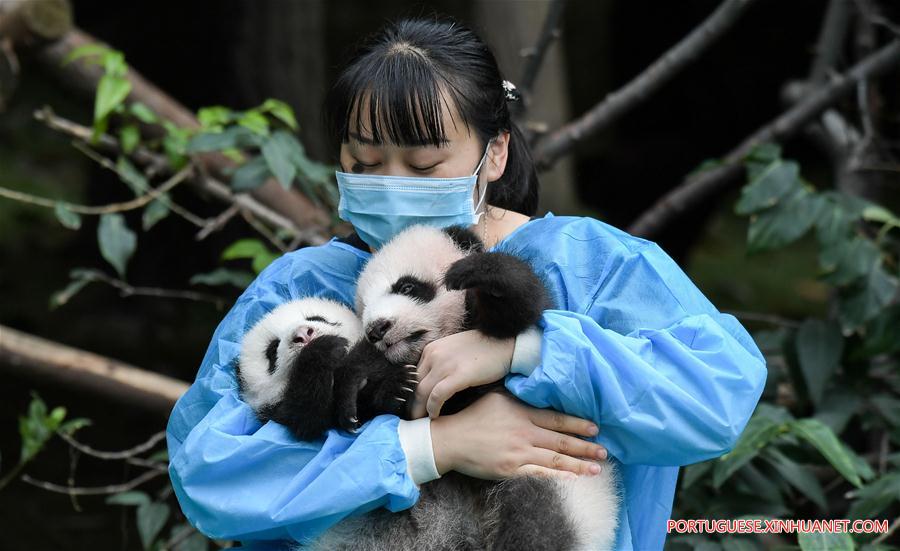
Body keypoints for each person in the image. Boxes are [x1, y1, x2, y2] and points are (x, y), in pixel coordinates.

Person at [166, 16, 767, 550]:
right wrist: (432, 447)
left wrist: (525, 348)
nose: (394, 182)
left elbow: (719, 394)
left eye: (425, 165)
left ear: (496, 153)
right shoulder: (302, 287)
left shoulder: (590, 264)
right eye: (365, 164)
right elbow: (209, 476)